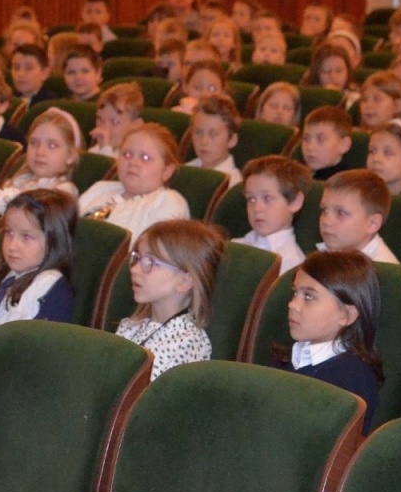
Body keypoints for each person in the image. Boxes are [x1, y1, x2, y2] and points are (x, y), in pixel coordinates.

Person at [275, 250, 383, 433]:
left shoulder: (353, 379)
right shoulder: (285, 359)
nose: (292, 304)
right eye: (295, 293)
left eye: (309, 296)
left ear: (346, 315)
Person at [115, 219, 223, 378]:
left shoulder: (188, 342)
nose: (134, 269)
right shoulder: (130, 326)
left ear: (184, 281)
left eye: (150, 262)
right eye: (137, 258)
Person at [0, 189, 77, 329]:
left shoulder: (52, 290)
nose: (12, 246)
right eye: (9, 232)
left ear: (54, 240)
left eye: (27, 237)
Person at [77, 123, 190, 241]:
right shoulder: (101, 188)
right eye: (127, 154)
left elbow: (154, 248)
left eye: (145, 158)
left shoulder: (168, 201)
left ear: (167, 171)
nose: (133, 162)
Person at [0, 107, 82, 214]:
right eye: (34, 143)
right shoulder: (18, 181)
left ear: (71, 156)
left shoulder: (62, 194)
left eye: (52, 145)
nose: (40, 152)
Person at [237, 156, 308, 273]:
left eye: (267, 198)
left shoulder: (291, 264)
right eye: (251, 199)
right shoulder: (235, 246)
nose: (257, 208)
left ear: (295, 202)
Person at [317, 169, 398, 264]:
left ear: (372, 223)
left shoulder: (382, 269)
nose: (326, 221)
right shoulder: (335, 253)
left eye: (341, 213)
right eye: (324, 210)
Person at [186, 95, 242, 188]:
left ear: (232, 140)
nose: (204, 141)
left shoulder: (234, 185)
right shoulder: (183, 172)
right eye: (198, 132)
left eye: (213, 134)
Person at [299, 106, 354, 179]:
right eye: (306, 139)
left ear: (344, 145)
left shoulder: (345, 182)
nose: (310, 147)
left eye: (321, 139)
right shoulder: (300, 175)